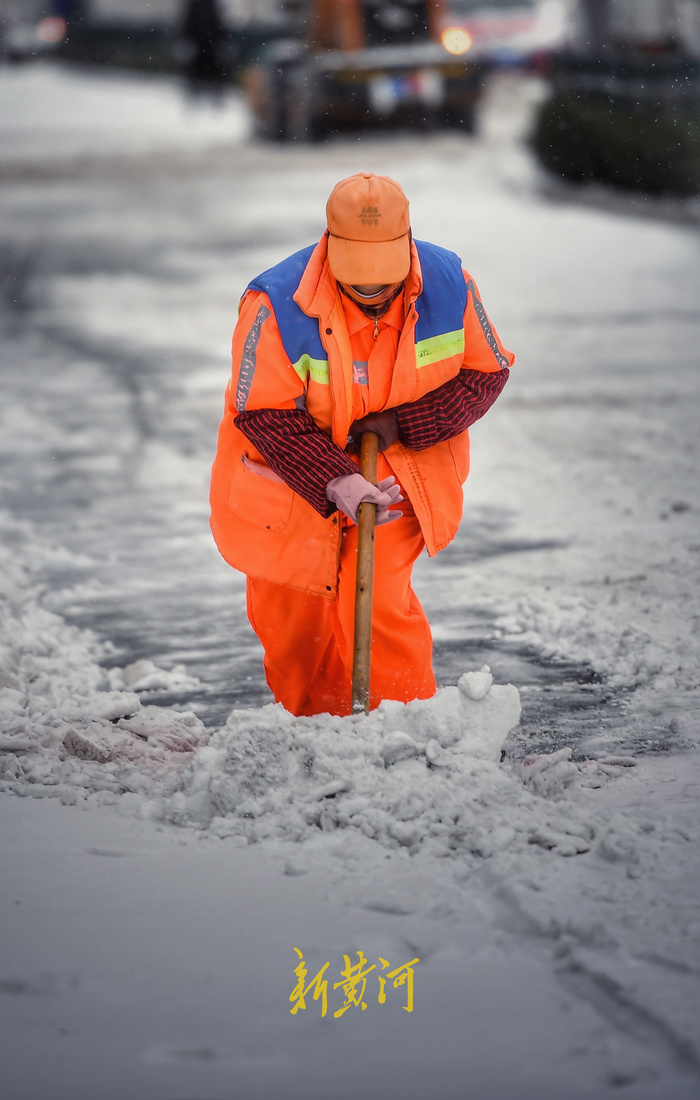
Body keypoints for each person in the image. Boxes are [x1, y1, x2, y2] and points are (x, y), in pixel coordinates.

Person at [210, 172, 513, 717]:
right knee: (293, 628)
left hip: (396, 480)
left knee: (374, 608)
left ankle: (403, 728)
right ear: (330, 244)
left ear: (407, 245)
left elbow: (485, 372)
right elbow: (260, 411)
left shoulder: (450, 284)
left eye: (383, 282)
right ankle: (313, 734)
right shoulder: (275, 302)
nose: (371, 295)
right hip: (287, 489)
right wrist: (335, 477)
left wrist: (405, 422)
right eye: (358, 283)